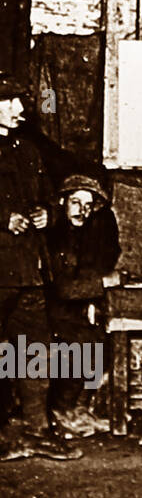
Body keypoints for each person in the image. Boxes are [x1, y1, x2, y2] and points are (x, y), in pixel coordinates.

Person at [0, 73, 80, 461]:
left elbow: (51, 200)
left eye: (20, 100)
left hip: (30, 272)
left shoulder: (28, 151)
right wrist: (2, 219)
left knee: (33, 351)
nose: (20, 109)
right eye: (10, 102)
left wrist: (50, 214)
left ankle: (36, 429)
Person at [46, 174, 122, 438]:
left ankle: (79, 408)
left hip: (72, 313)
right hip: (50, 313)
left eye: (88, 205)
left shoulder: (85, 236)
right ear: (62, 202)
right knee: (83, 344)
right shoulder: (54, 237)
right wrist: (104, 282)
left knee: (104, 343)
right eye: (76, 202)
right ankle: (61, 410)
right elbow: (65, 288)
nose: (82, 210)